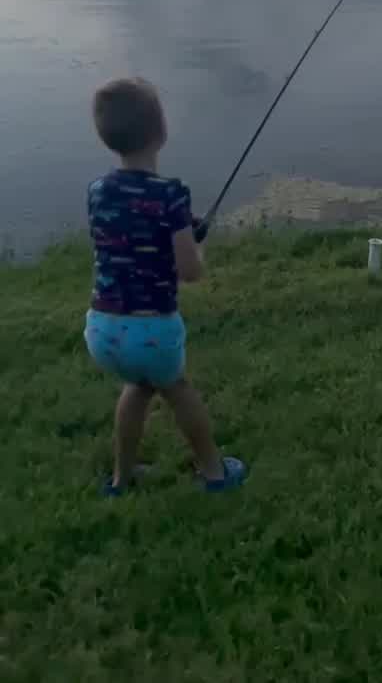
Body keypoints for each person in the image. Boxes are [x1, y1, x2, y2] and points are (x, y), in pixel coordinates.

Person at [84, 76, 247, 496]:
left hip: (103, 330)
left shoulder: (98, 192)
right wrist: (194, 243)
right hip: (150, 330)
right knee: (177, 390)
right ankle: (215, 472)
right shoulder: (171, 195)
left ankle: (120, 480)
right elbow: (190, 271)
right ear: (162, 131)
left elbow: (129, 229)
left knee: (138, 388)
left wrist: (182, 226)